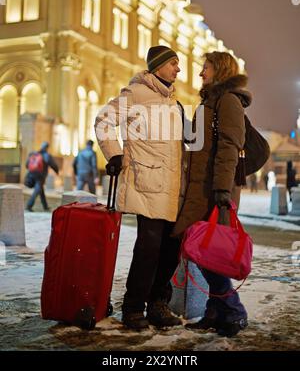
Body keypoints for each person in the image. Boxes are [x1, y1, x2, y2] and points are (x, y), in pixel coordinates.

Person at [94, 45, 184, 330]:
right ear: (157, 66)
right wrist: (115, 154)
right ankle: (133, 308)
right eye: (173, 63)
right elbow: (103, 121)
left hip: (171, 186)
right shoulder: (134, 94)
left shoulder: (172, 101)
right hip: (147, 183)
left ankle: (158, 304)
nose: (178, 69)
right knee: (149, 248)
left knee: (171, 248)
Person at [172, 51, 251, 338]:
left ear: (219, 70)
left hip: (215, 189)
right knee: (202, 250)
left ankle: (233, 309)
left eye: (205, 68)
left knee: (207, 249)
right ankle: (215, 311)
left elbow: (230, 146)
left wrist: (221, 189)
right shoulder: (209, 102)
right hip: (202, 187)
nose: (200, 73)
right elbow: (200, 144)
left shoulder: (228, 101)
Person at [25, 142, 59, 212]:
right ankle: (29, 205)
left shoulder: (34, 154)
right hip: (40, 176)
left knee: (41, 190)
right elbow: (53, 165)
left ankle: (45, 206)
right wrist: (57, 171)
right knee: (37, 190)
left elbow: (26, 164)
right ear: (47, 148)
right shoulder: (47, 155)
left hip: (32, 173)